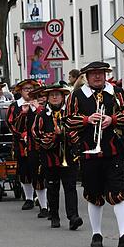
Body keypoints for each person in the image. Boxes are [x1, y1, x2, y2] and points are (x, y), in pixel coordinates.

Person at [63, 62, 124, 247]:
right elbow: (67, 120)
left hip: (113, 151)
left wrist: (112, 119)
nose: (98, 77)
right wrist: (87, 120)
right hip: (89, 151)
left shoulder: (117, 92)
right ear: (86, 77)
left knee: (119, 191)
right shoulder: (77, 95)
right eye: (93, 74)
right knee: (93, 193)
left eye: (101, 73)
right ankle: (96, 234)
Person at [32, 83, 82, 230]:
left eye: (58, 95)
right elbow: (36, 134)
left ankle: (73, 217)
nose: (55, 97)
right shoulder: (41, 116)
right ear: (47, 98)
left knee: (70, 187)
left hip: (69, 156)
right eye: (52, 95)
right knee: (52, 187)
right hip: (50, 157)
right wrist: (54, 136)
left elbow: (78, 132)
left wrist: (66, 134)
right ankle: (54, 216)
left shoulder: (70, 114)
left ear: (63, 97)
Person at [9, 79, 47, 213]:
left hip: (37, 145)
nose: (29, 91)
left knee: (39, 172)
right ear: (20, 91)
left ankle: (43, 203)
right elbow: (11, 124)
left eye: (31, 89)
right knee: (24, 171)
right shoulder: (15, 106)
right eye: (26, 89)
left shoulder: (40, 105)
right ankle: (29, 198)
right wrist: (22, 133)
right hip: (21, 144)